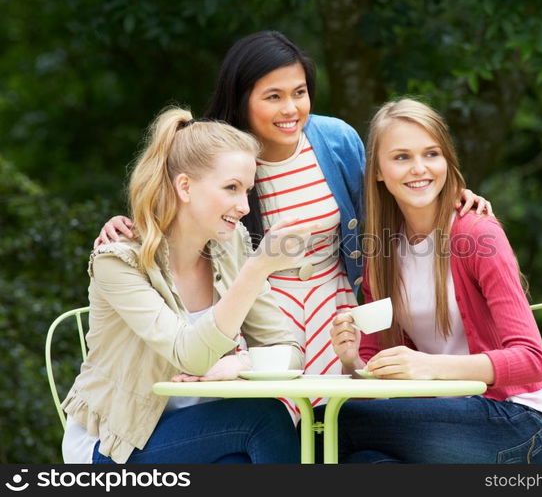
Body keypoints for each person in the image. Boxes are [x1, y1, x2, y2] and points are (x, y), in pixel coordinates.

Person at [93, 32, 492, 416]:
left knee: (344, 424)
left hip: (335, 304)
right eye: (273, 96)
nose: (291, 109)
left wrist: (451, 196)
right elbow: (179, 204)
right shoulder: (222, 154)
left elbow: (389, 195)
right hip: (262, 315)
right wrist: (131, 224)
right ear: (242, 99)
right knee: (277, 424)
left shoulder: (335, 139)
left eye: (299, 93)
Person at [62, 107, 319, 464]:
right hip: (115, 444)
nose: (244, 206)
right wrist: (257, 269)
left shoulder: (231, 247)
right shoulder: (118, 262)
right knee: (265, 416)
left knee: (240, 463)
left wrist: (242, 364)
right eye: (231, 188)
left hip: (204, 435)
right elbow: (191, 356)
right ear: (184, 186)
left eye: (247, 190)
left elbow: (288, 346)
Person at [330, 98, 542, 463]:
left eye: (431, 154)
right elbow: (373, 373)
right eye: (401, 157)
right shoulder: (383, 254)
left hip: (517, 425)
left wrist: (429, 367)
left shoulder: (476, 235)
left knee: (334, 424)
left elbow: (531, 360)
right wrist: (353, 362)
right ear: (377, 170)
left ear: (447, 161)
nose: (419, 168)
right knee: (363, 462)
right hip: (443, 423)